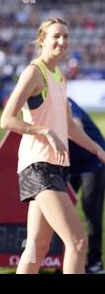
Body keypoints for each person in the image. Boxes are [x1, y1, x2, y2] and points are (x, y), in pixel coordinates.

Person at [0, 17, 105, 274]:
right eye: (56, 36)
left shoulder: (59, 75)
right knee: (78, 241)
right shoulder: (34, 72)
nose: (62, 41)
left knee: (37, 246)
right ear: (42, 40)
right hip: (38, 167)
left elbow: (70, 127)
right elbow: (7, 119)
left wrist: (97, 150)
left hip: (56, 168)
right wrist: (43, 130)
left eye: (66, 36)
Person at [67, 97, 105, 274]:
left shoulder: (63, 100)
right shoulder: (42, 101)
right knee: (59, 212)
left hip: (93, 162)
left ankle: (95, 262)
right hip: (69, 165)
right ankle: (60, 257)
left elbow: (77, 127)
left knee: (91, 212)